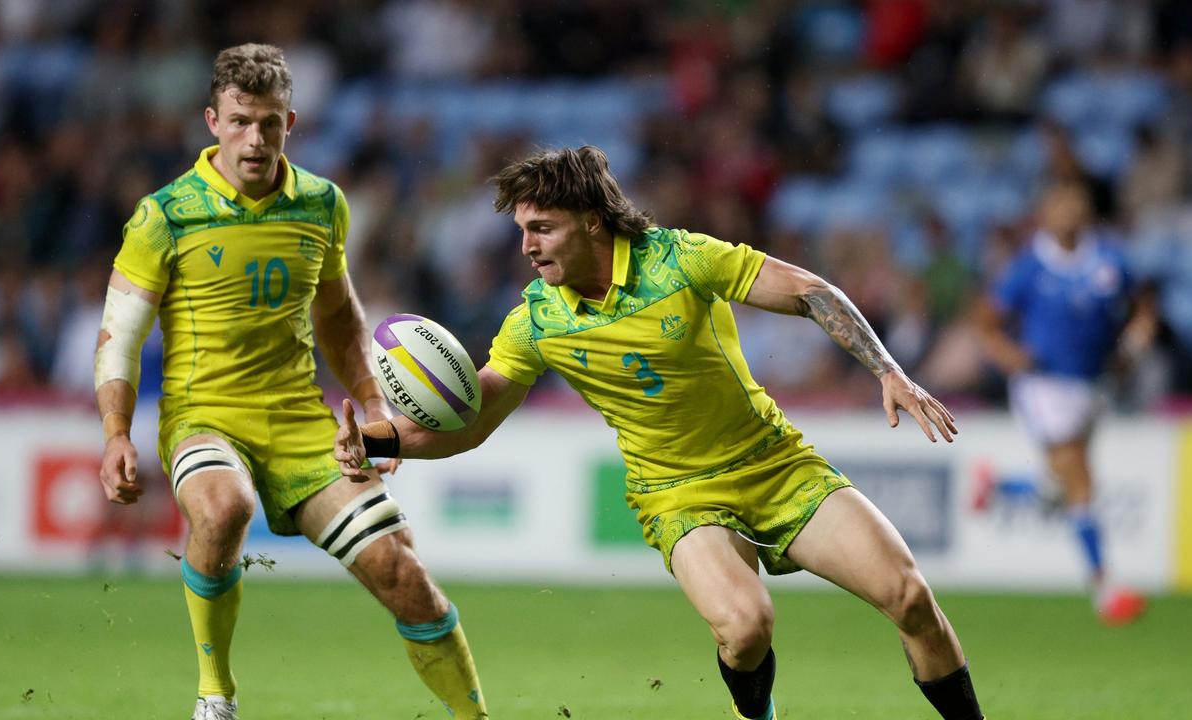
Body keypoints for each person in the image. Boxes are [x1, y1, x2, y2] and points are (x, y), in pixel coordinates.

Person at [339, 146, 984, 720]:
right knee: (746, 625)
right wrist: (379, 440)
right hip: (677, 492)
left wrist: (888, 370)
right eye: (522, 231)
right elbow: (472, 423)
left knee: (909, 597)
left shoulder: (680, 260)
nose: (527, 247)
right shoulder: (536, 322)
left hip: (775, 462)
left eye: (542, 228)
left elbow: (809, 291)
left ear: (591, 221)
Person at [93, 44, 488, 720]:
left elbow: (338, 313)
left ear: (291, 122)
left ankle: (475, 718)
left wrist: (371, 407)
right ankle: (215, 694)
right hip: (204, 415)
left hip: (302, 422)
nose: (256, 139)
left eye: (270, 123)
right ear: (212, 121)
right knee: (225, 508)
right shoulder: (165, 215)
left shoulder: (321, 205)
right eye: (242, 121)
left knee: (407, 577)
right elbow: (119, 337)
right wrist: (115, 434)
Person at [978, 181, 1148, 627]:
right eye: (1059, 204)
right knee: (1079, 475)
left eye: (1076, 204)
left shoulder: (1109, 259)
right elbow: (987, 321)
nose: (1069, 212)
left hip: (1093, 384)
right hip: (1043, 386)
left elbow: (1142, 307)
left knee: (1059, 486)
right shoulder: (1029, 266)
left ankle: (996, 487)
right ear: (1045, 214)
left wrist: (1134, 343)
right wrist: (1009, 355)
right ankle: (1105, 588)